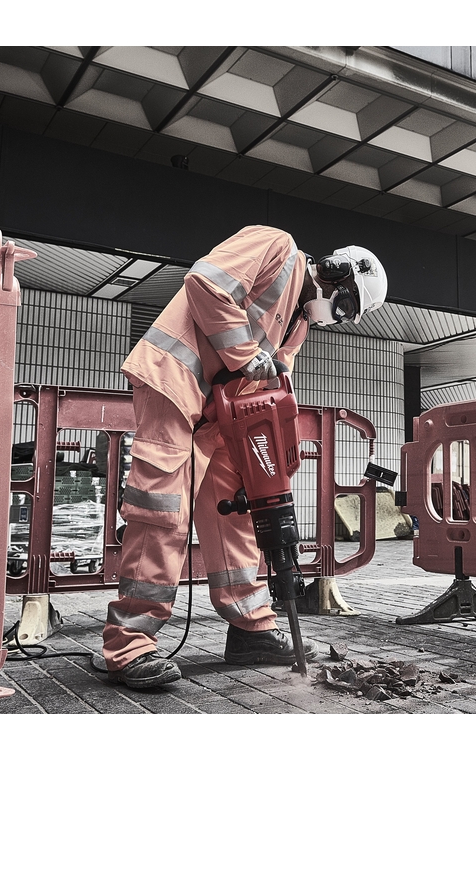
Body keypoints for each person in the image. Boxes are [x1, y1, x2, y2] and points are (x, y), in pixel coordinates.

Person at [101, 224, 387, 689]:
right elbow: (205, 283)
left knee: (235, 508)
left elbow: (272, 383)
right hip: (175, 382)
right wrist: (245, 355)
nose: (335, 316)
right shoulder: (276, 246)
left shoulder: (299, 324)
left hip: (220, 414)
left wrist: (273, 458)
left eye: (346, 316)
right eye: (344, 305)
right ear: (335, 272)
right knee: (163, 509)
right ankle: (128, 643)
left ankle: (251, 628)